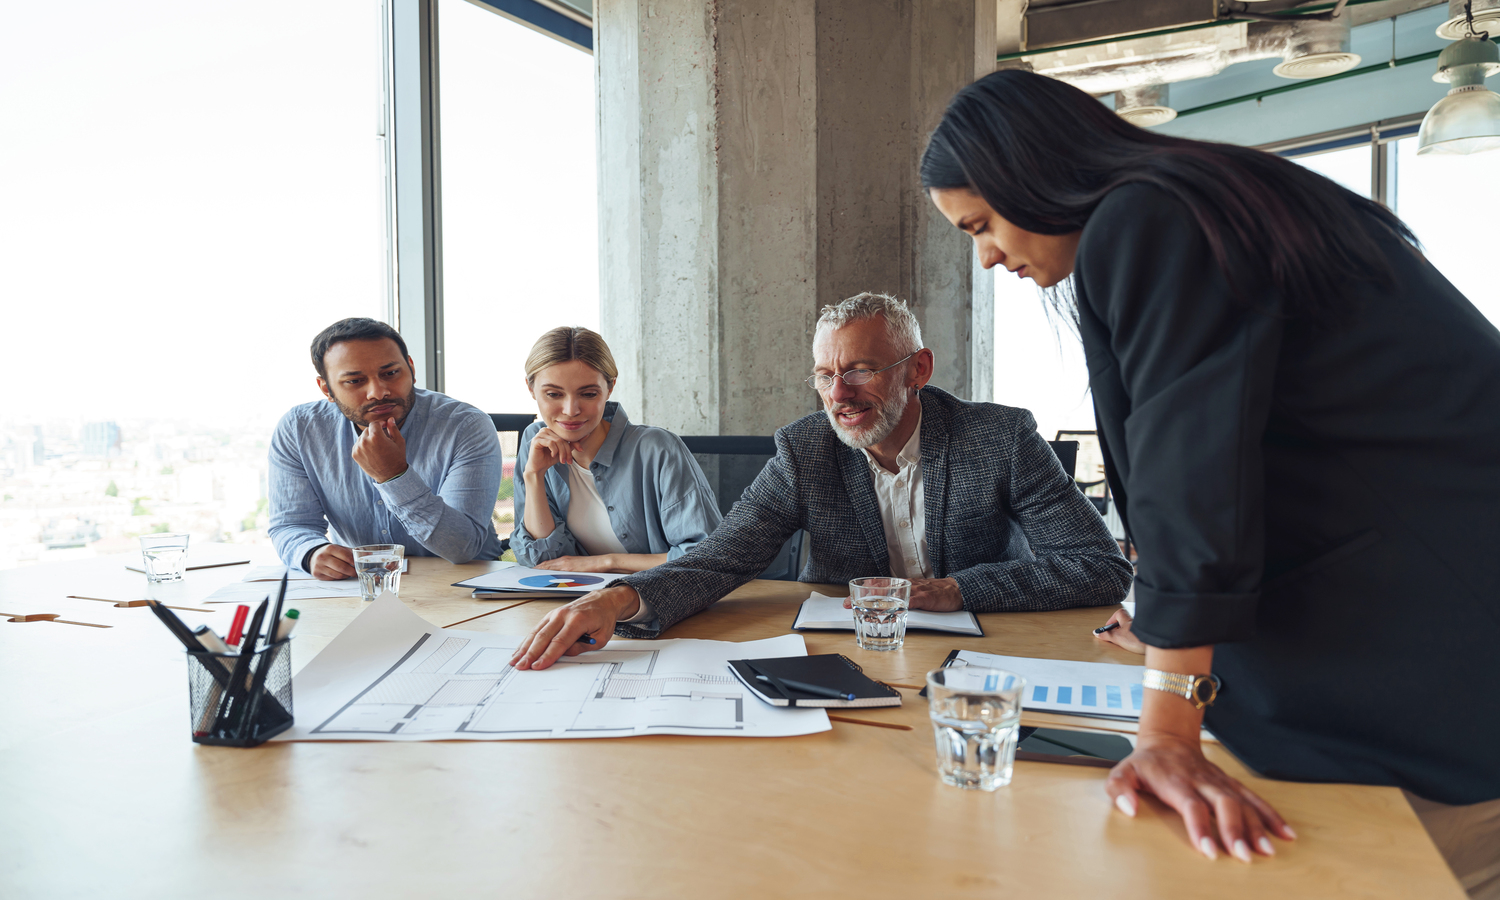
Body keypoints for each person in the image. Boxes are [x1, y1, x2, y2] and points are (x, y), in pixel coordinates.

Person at [920, 67, 1500, 890]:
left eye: (980, 224)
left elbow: (1194, 472)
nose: (984, 257)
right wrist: (1168, 622)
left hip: (1435, 677)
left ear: (1032, 174)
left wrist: (1164, 732)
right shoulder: (1214, 197)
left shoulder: (1147, 218)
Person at [510, 293, 1133, 669]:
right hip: (853, 663)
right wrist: (620, 598)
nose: (839, 395)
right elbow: (723, 558)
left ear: (917, 368)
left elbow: (1101, 566)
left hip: (981, 662)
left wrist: (956, 590)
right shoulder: (806, 449)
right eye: (825, 374)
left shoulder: (999, 437)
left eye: (861, 370)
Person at [269, 317, 504, 578]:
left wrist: (394, 476)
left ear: (411, 368)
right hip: (361, 584)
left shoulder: (466, 425)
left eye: (390, 374)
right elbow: (291, 524)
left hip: (466, 583)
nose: (378, 392)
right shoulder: (300, 428)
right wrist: (311, 552)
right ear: (327, 388)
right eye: (355, 381)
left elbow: (462, 547)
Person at [509, 326, 722, 580]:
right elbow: (544, 562)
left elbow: (707, 558)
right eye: (553, 394)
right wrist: (534, 476)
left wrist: (606, 562)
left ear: (609, 388)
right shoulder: (536, 442)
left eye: (588, 394)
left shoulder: (657, 449)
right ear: (531, 389)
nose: (570, 410)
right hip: (576, 602)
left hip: (662, 605)